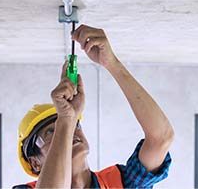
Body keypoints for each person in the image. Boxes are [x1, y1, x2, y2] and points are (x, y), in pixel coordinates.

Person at [13, 25, 174, 188]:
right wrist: (66, 119)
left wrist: (111, 63)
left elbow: (160, 139)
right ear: (35, 163)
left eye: (76, 125)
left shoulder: (120, 183)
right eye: (51, 132)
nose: (71, 132)